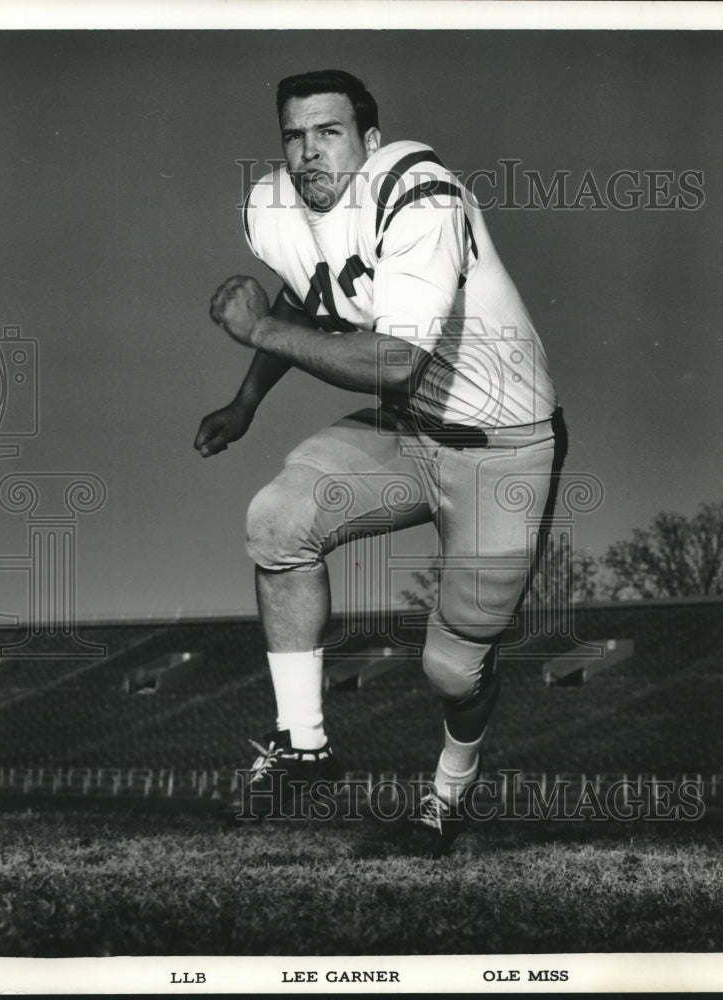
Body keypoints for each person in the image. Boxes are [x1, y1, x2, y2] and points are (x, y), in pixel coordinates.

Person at [195, 69, 564, 854]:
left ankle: (447, 796)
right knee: (276, 520)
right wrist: (245, 402)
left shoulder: (416, 190)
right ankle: (304, 746)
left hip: (498, 446)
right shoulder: (274, 206)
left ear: (367, 142)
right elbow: (306, 295)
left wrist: (259, 334)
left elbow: (394, 360)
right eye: (292, 135)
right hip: (406, 433)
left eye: (328, 133)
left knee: (451, 670)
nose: (306, 153)